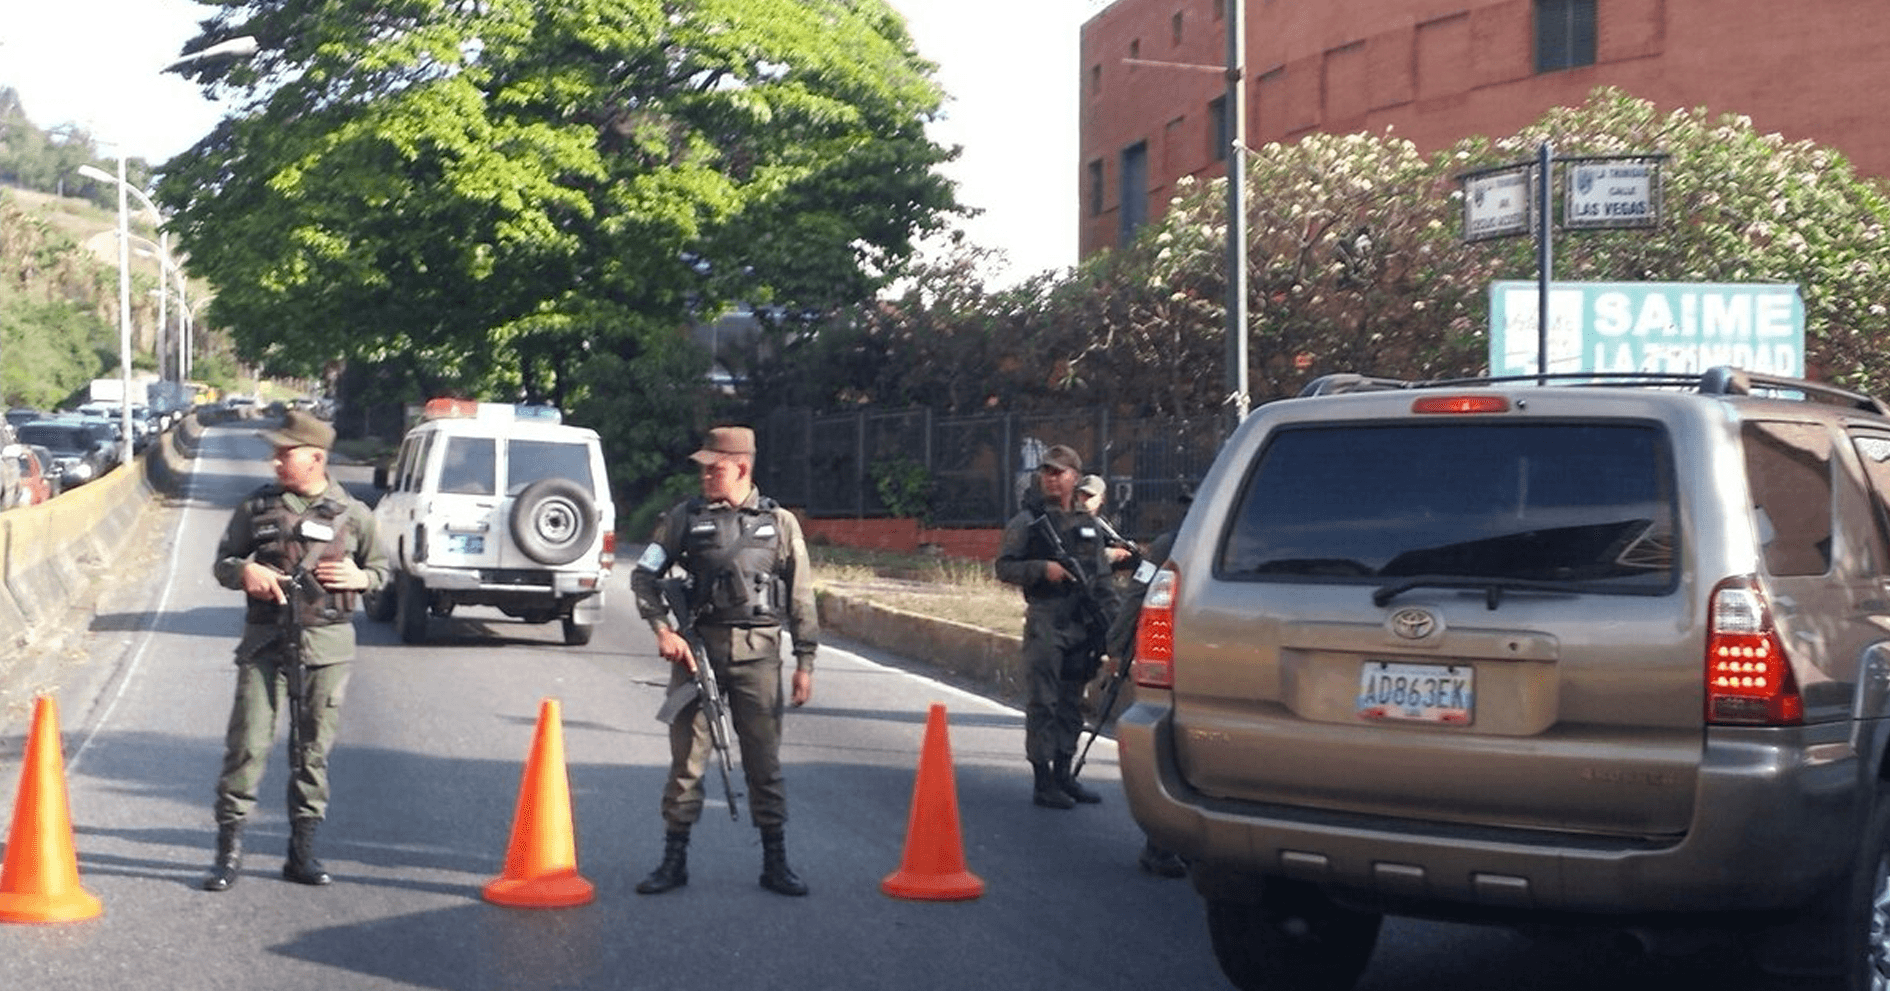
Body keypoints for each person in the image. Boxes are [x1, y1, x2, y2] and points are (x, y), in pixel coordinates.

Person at [629, 425, 820, 896]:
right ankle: (674, 861)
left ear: (742, 467)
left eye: (714, 468)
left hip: (759, 659)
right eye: (704, 468)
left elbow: (801, 597)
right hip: (698, 658)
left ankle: (775, 861)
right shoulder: (684, 518)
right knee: (687, 765)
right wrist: (663, 630)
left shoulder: (781, 524)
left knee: (764, 764)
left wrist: (806, 661)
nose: (705, 476)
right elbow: (643, 577)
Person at [203, 409, 388, 892]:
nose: (276, 461)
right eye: (277, 452)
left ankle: (301, 853)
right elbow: (223, 563)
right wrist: (245, 572)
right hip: (265, 645)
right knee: (247, 746)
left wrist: (362, 578)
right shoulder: (256, 508)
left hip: (326, 648)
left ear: (316, 458)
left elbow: (384, 572)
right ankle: (228, 854)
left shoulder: (355, 514)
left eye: (286, 453)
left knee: (312, 753)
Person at [995, 446, 1130, 809]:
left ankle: (1064, 773)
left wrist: (1116, 633)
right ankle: (1043, 781)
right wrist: (1043, 570)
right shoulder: (1029, 520)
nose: (1052, 478)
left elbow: (1102, 583)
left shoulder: (1088, 525)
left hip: (1082, 623)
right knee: (1044, 700)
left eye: (1060, 472)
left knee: (1073, 701)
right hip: (1047, 620)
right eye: (1047, 472)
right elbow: (1004, 567)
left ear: (1075, 476)